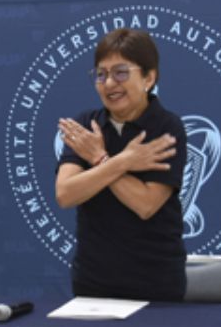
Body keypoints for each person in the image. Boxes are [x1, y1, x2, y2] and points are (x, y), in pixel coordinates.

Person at [55, 28, 187, 301]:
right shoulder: (86, 126)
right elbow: (66, 194)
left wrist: (99, 159)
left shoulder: (166, 127)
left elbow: (146, 204)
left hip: (156, 283)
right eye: (101, 74)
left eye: (121, 73)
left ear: (149, 78)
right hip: (93, 283)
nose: (109, 83)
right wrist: (123, 161)